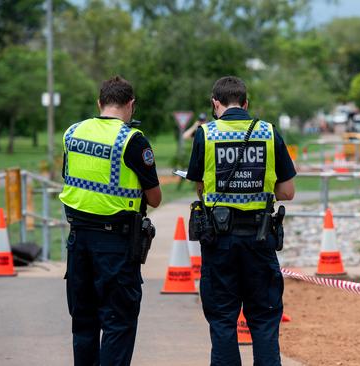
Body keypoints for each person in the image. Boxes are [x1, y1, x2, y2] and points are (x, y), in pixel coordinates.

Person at [186, 76, 296, 366]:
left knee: (222, 320)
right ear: (246, 103)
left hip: (219, 241)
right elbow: (287, 191)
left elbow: (200, 185)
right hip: (260, 240)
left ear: (215, 104)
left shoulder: (205, 134)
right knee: (263, 319)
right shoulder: (269, 133)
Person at [59, 76, 162, 365]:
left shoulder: (73, 133)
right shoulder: (132, 140)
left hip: (78, 242)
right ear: (130, 105)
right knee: (118, 322)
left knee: (84, 322)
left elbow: (70, 178)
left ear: (99, 103)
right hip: (116, 245)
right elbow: (154, 199)